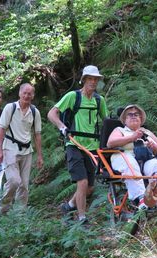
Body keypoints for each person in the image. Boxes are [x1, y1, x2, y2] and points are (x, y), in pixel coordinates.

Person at [48, 65, 109, 224]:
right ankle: (82, 218)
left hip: (93, 147)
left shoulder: (99, 100)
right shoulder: (72, 97)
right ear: (84, 80)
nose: (93, 82)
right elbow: (51, 113)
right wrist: (62, 127)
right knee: (82, 183)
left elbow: (107, 121)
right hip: (74, 144)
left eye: (95, 79)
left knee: (89, 187)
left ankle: (68, 206)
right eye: (90, 78)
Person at [106, 105, 157, 216]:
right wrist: (132, 138)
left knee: (156, 164)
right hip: (123, 157)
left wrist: (155, 147)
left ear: (141, 119)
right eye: (130, 114)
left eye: (136, 114)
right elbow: (110, 143)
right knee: (129, 162)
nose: (133, 116)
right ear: (124, 120)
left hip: (144, 160)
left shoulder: (146, 132)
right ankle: (140, 198)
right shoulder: (120, 130)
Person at [0, 83, 43, 214]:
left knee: (24, 185)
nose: (27, 96)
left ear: (33, 96)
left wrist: (39, 156)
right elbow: (1, 129)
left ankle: (19, 215)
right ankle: (3, 209)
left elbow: (37, 134)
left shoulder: (34, 112)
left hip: (27, 151)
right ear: (19, 93)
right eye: (24, 93)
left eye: (30, 94)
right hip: (10, 148)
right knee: (14, 181)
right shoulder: (10, 108)